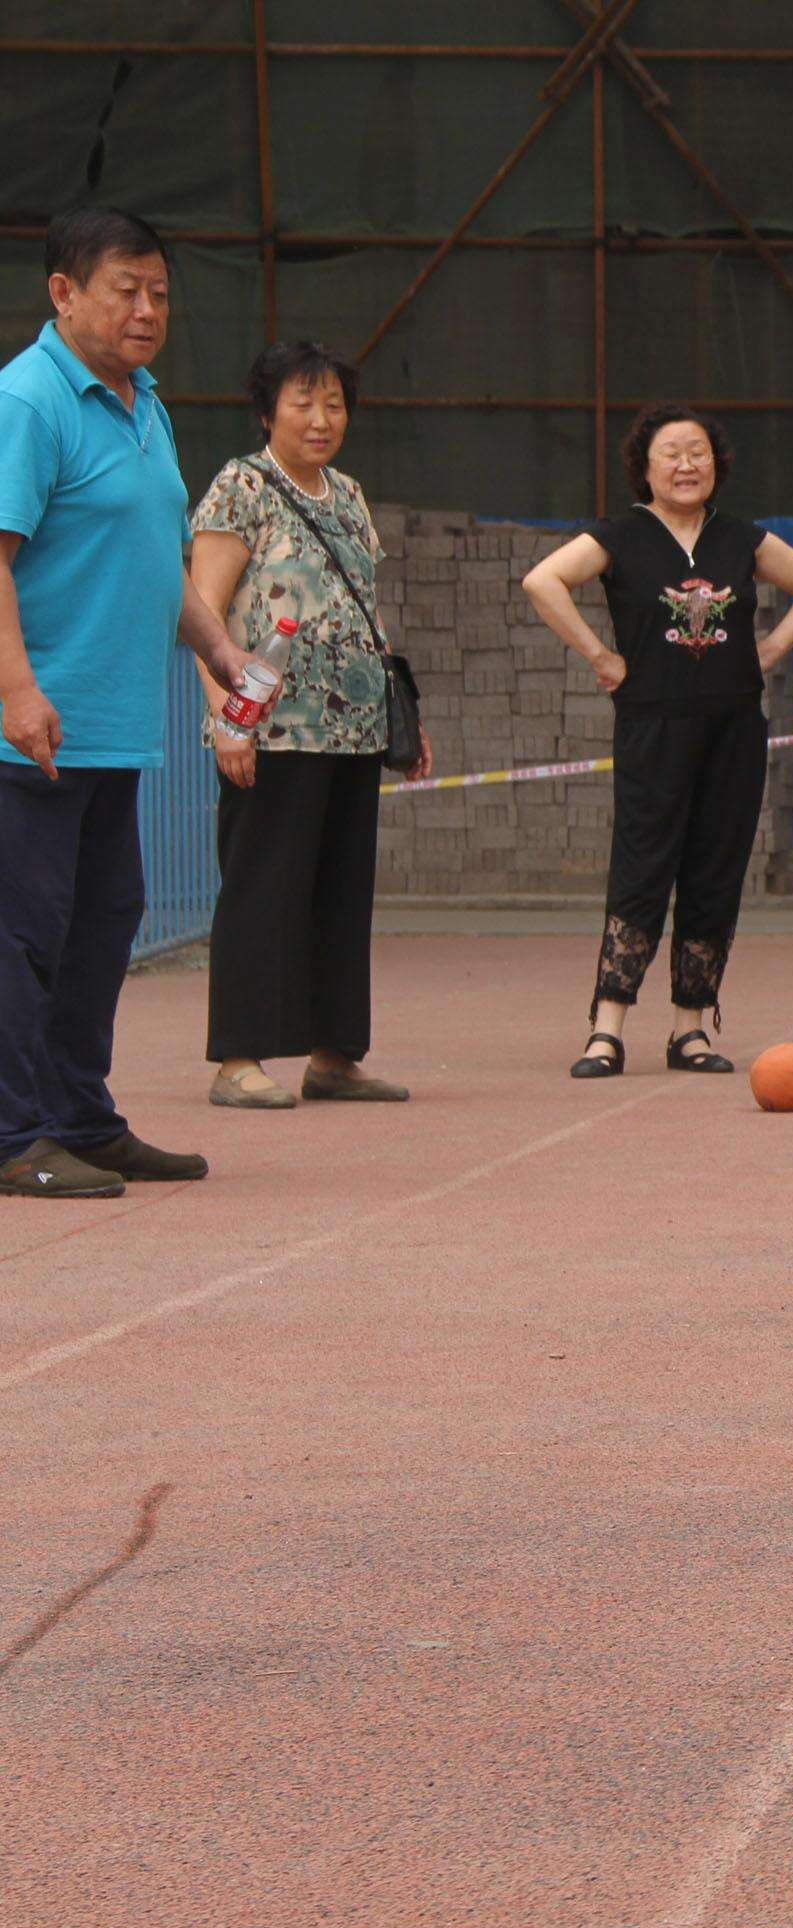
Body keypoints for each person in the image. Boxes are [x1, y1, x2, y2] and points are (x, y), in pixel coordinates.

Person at [0, 208, 261, 1200]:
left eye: (160, 291)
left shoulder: (142, 402)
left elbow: (160, 560)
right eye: (126, 289)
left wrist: (220, 648)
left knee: (102, 920)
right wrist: (17, 689)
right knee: (22, 932)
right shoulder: (28, 402)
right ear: (64, 293)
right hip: (32, 729)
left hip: (113, 730)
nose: (149, 310)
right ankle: (12, 1133)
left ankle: (80, 1116)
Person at [520, 404, 793, 1079]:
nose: (688, 464)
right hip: (652, 726)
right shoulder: (620, 535)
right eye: (673, 453)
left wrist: (772, 645)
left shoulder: (739, 538)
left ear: (717, 466)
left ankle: (691, 1026)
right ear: (645, 467)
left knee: (714, 869)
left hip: (734, 729)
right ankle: (606, 1027)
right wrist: (600, 656)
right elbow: (542, 581)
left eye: (699, 452)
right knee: (643, 865)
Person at [188, 340, 431, 1111]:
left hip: (353, 729)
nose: (322, 419)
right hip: (275, 726)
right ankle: (239, 1058)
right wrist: (231, 722)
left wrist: (403, 714)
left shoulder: (350, 496)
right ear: (267, 412)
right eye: (303, 403)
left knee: (340, 893)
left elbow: (368, 605)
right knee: (263, 888)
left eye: (334, 404)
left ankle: (335, 1056)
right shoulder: (241, 487)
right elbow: (204, 611)